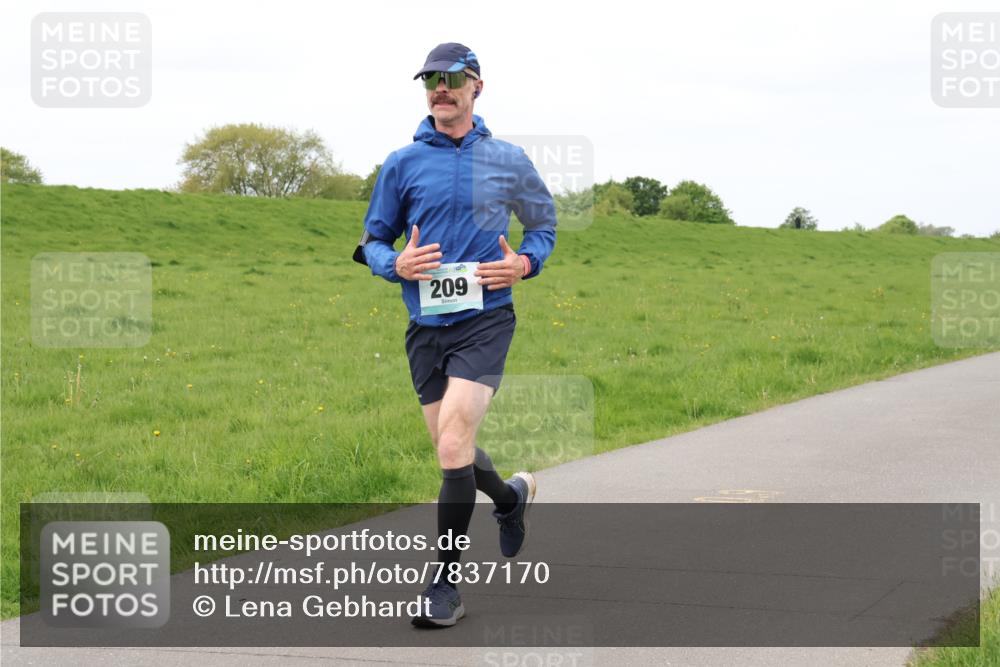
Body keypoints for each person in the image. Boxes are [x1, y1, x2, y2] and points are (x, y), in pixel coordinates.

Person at [352, 42, 557, 627]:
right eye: (430, 81)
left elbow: (543, 225)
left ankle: (444, 586)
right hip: (425, 328)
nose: (439, 88)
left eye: (451, 79)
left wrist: (524, 263)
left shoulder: (509, 159)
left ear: (476, 87)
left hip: (487, 319)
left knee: (452, 443)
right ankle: (511, 497)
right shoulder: (402, 163)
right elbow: (372, 241)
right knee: (452, 447)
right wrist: (397, 265)